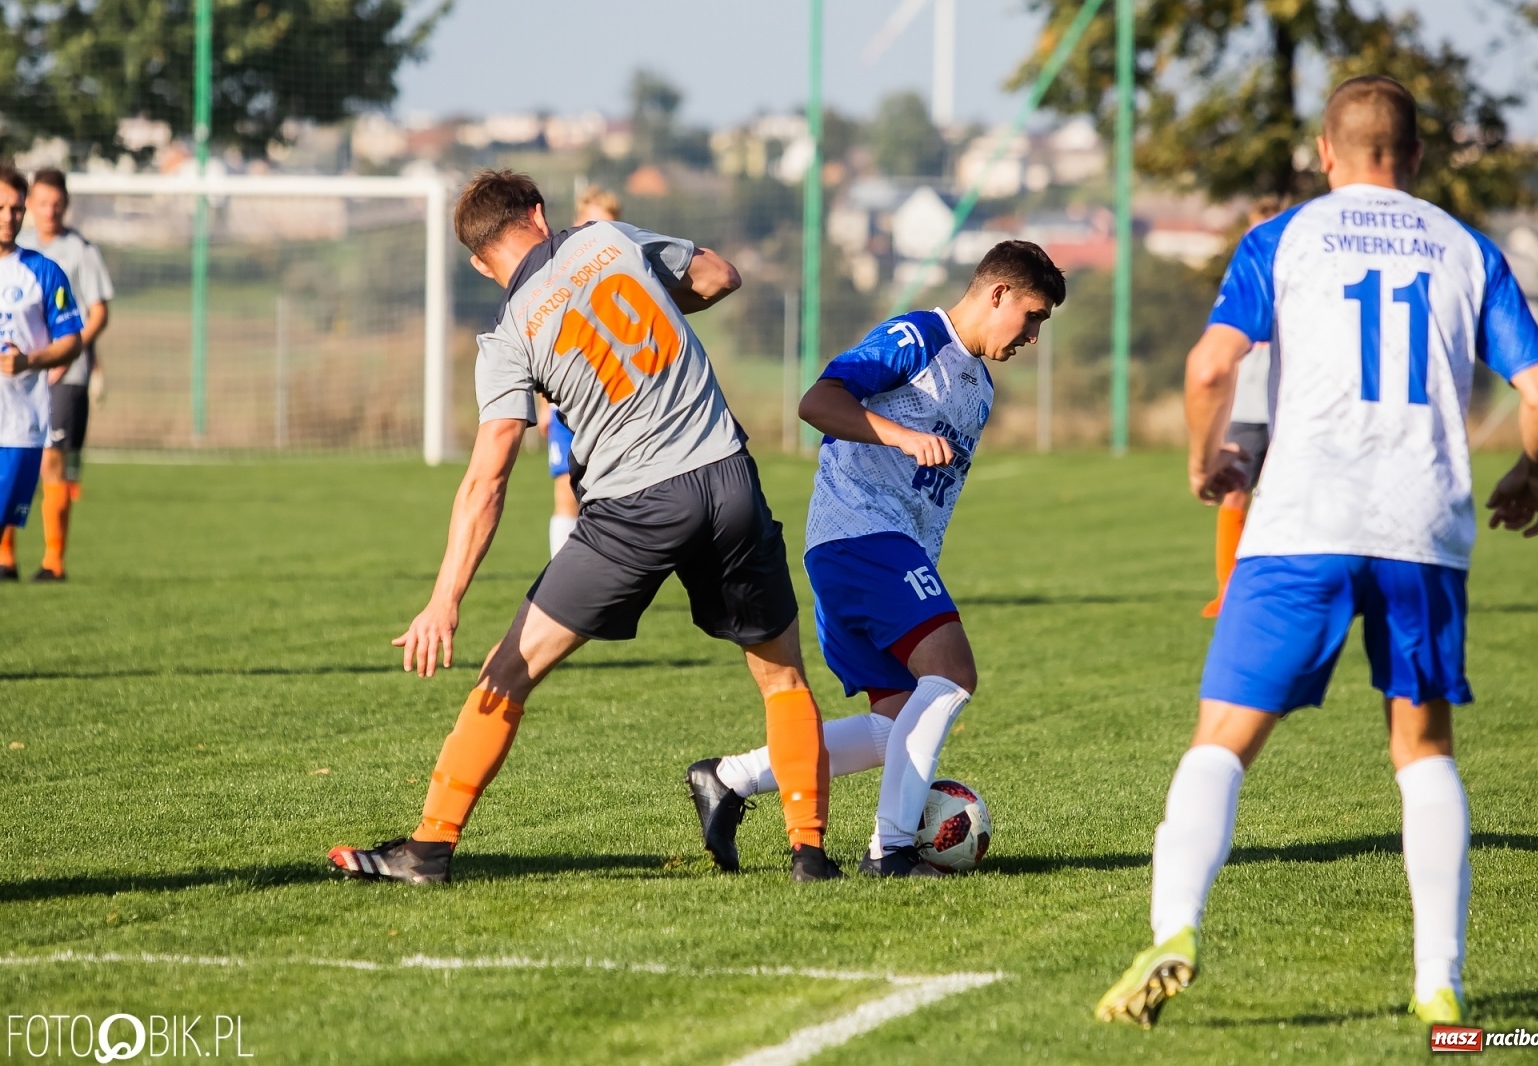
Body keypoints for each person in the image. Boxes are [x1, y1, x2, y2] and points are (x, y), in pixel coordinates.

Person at [1094, 76, 1538, 1029]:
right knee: (1423, 750)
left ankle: (1174, 930)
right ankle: (1442, 987)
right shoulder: (1465, 248)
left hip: (1301, 520)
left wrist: (1205, 460)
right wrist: (1534, 472)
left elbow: (1208, 367)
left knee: (1222, 743)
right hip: (1423, 527)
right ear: (1420, 159)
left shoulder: (1286, 239)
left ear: (1325, 151)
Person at [329, 170, 841, 885]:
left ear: (480, 261)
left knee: (508, 671)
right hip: (726, 476)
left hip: (635, 507)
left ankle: (429, 849)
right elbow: (720, 276)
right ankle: (809, 854)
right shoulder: (605, 238)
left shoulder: (509, 339)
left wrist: (444, 600)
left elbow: (488, 478)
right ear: (540, 216)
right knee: (781, 677)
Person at [685, 241, 1066, 877]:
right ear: (997, 293)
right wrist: (904, 434)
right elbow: (818, 402)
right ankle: (890, 851)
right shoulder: (918, 336)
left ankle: (729, 778)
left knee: (892, 728)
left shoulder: (980, 385)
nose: (1032, 335)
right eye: (1030, 316)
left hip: (884, 548)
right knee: (953, 673)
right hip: (861, 537)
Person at [0, 169, 114, 582]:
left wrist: (61, 356)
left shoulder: (77, 252)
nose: (49, 210)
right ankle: (5, 559)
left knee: (53, 462)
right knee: (15, 473)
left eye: (56, 203)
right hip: (14, 387)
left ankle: (54, 561)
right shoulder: (18, 248)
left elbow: (96, 313)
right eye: (40, 203)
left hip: (63, 376)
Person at [1201, 196, 1283, 617]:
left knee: (1287, 502)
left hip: (1291, 411)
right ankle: (1227, 591)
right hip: (1247, 408)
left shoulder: (1300, 279)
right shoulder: (1241, 283)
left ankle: (1273, 593)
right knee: (1235, 495)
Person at [537, 185, 623, 557]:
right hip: (565, 406)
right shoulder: (559, 277)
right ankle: (561, 578)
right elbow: (545, 342)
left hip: (612, 406)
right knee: (565, 493)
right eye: (589, 222)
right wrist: (544, 404)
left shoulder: (626, 278)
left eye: (604, 224)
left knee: (609, 498)